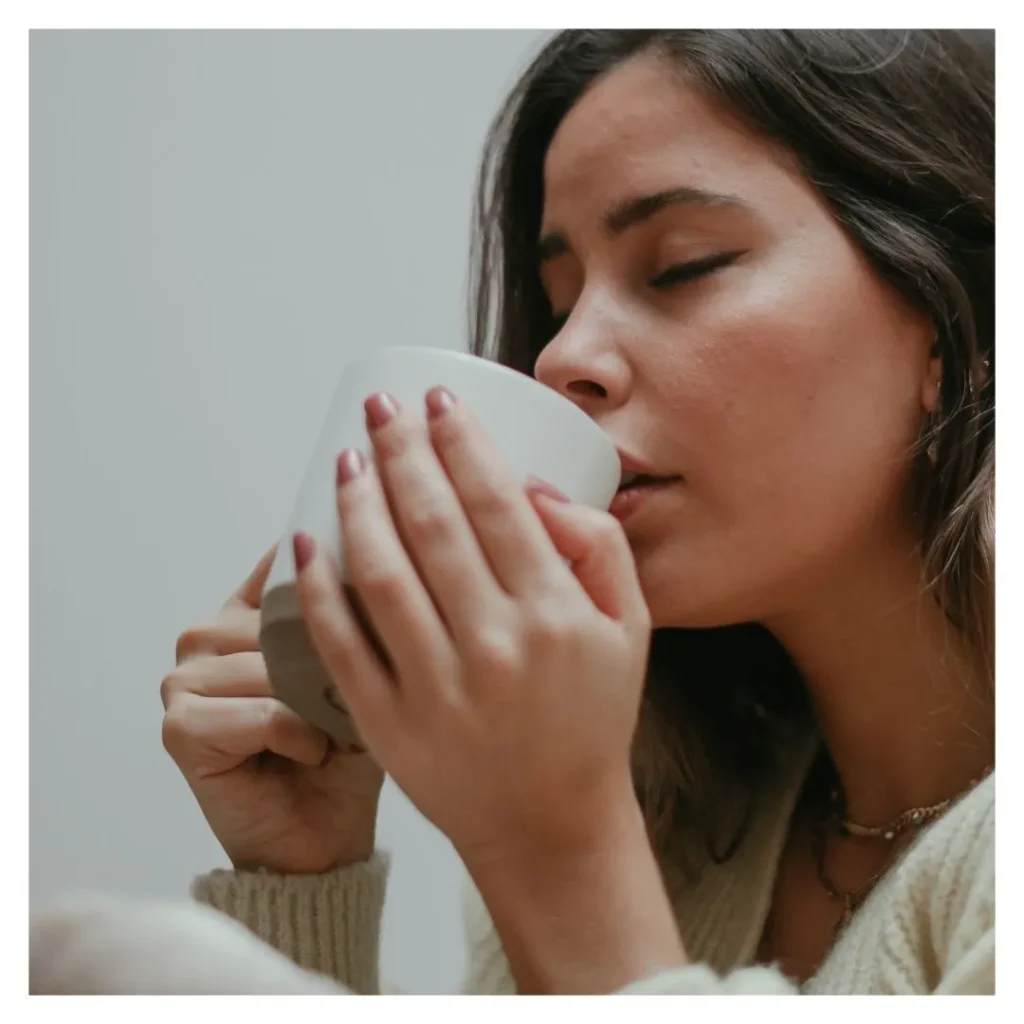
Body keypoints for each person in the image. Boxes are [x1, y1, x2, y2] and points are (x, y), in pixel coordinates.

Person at [30, 28, 994, 995]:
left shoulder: (581, 824)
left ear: (962, 318)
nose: (561, 357)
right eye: (558, 297)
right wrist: (302, 878)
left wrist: (563, 855)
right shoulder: (661, 814)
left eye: (683, 265)